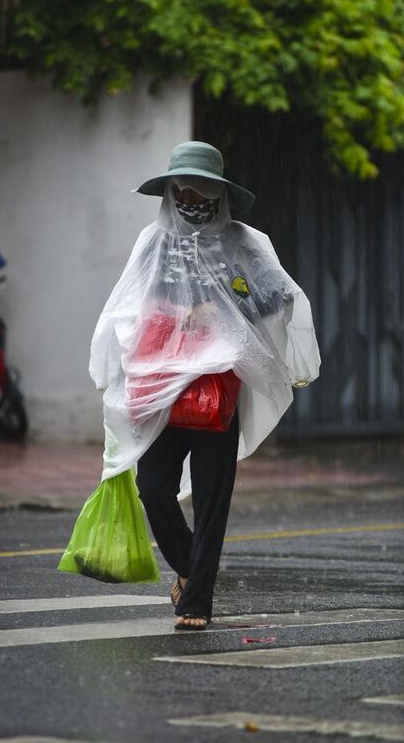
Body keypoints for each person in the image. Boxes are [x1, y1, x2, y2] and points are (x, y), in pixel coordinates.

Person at [88, 140, 321, 630]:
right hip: (163, 388)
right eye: (182, 188)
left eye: (201, 187)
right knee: (152, 487)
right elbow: (127, 304)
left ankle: (196, 602)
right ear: (170, 191)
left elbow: (279, 294)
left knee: (214, 498)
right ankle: (192, 571)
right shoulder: (151, 244)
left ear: (219, 192)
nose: (191, 195)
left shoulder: (244, 243)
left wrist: (222, 309)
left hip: (218, 388)